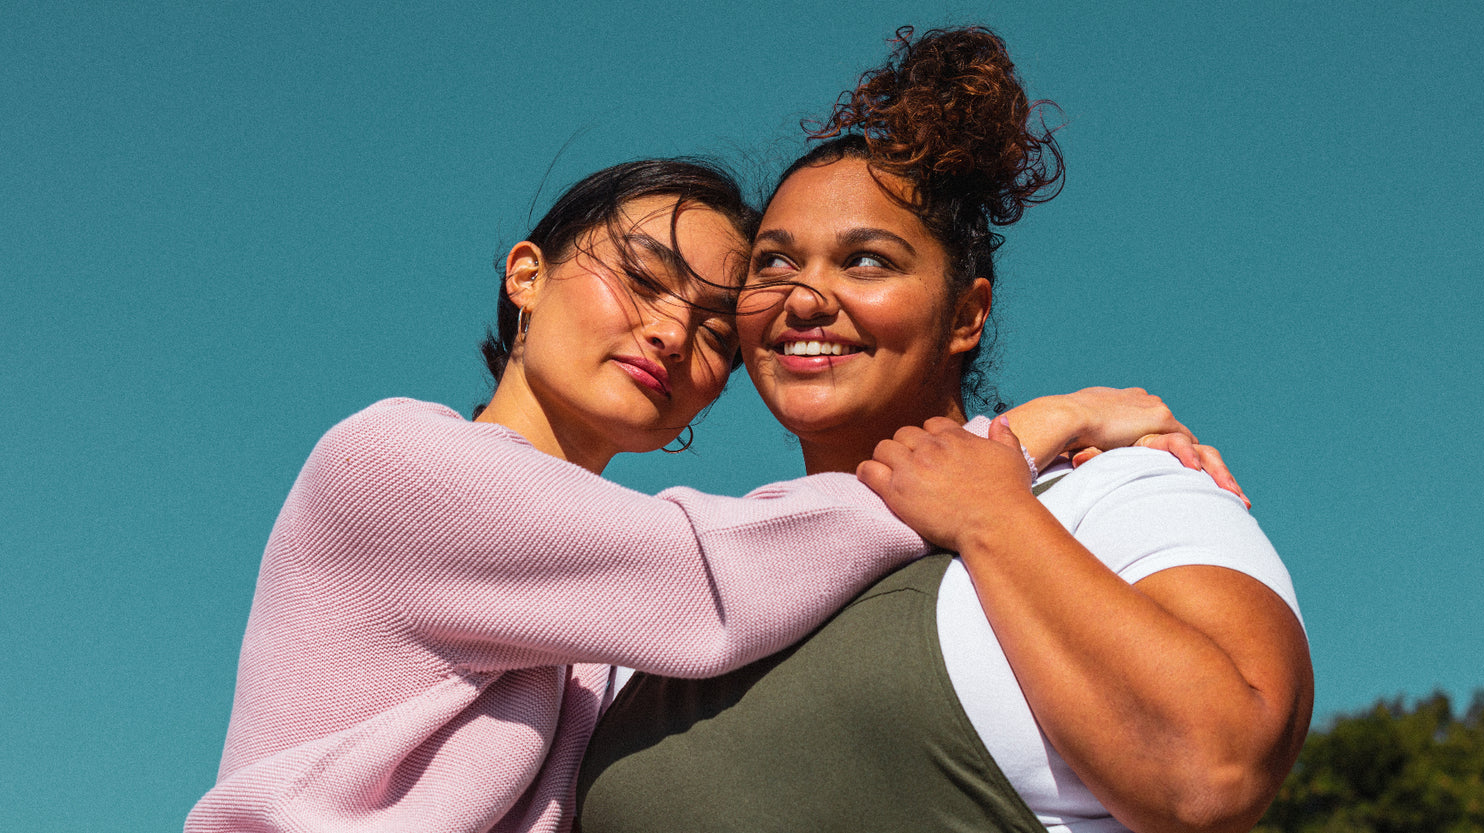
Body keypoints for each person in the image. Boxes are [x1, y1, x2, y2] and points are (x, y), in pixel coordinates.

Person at [186, 158, 1207, 833]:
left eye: (717, 324)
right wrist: (1025, 435)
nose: (674, 331)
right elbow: (709, 573)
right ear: (526, 275)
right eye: (641, 275)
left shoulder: (593, 634)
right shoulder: (389, 463)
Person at [575, 26, 1313, 833]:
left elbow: (1215, 771)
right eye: (774, 264)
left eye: (867, 262)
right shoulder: (674, 594)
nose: (806, 295)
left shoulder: (1104, 494)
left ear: (966, 314)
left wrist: (993, 513)